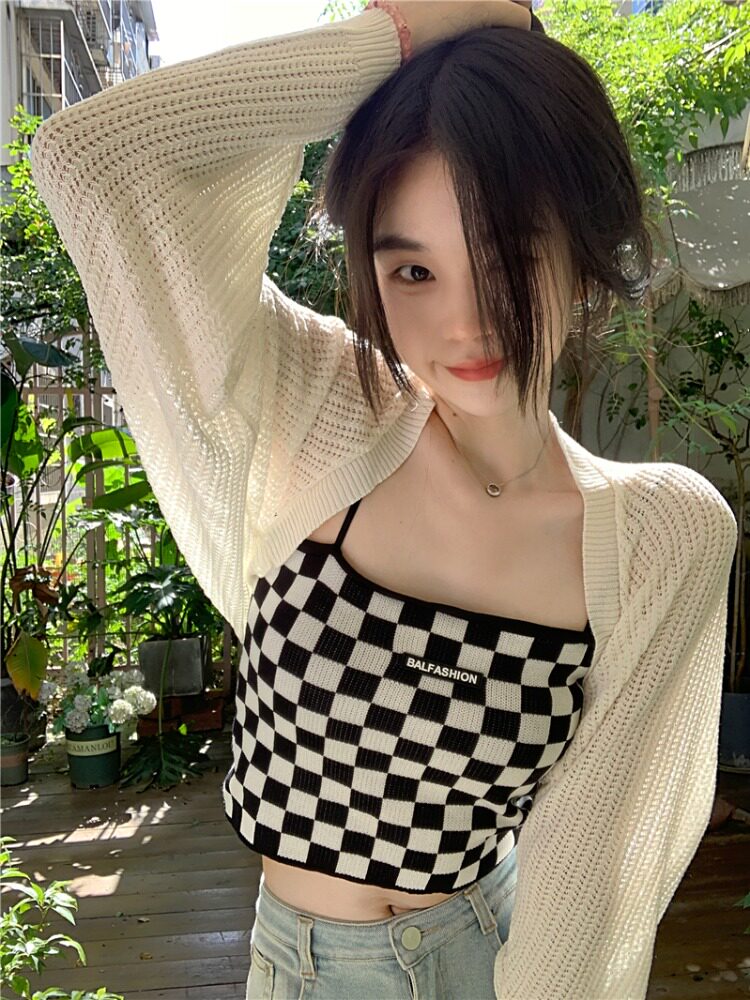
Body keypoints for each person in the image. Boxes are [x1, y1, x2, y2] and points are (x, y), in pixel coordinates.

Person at [28, 2, 738, 998]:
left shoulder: (656, 535)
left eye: (508, 255)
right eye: (413, 269)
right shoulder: (324, 408)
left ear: (583, 253)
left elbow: (590, 877)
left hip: (474, 965)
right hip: (283, 960)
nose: (464, 321)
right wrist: (420, 30)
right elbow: (94, 158)